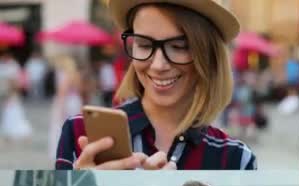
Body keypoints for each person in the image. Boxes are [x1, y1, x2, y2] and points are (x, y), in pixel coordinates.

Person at [55, 0, 257, 170]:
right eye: (144, 45)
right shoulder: (81, 132)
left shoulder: (236, 160)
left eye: (178, 47)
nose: (159, 65)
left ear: (209, 56)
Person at [49, 55, 83, 159]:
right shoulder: (77, 75)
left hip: (67, 102)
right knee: (75, 125)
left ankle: (62, 150)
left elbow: (62, 93)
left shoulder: (65, 76)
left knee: (61, 126)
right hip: (76, 101)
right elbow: (80, 90)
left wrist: (60, 108)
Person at [0, 52, 32, 143]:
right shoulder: (5, 66)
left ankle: (16, 132)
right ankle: (9, 132)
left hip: (12, 95)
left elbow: (16, 84)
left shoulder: (13, 66)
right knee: (9, 114)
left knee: (13, 113)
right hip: (9, 95)